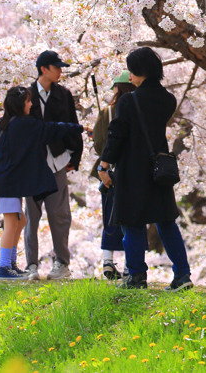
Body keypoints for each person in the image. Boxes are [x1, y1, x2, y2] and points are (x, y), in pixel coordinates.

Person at [99, 47, 193, 291]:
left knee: (131, 223)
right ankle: (182, 275)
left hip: (132, 169)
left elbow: (116, 134)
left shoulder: (129, 101)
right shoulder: (168, 100)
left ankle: (137, 276)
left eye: (131, 70)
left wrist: (104, 164)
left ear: (141, 71)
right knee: (166, 222)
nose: (129, 75)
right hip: (157, 169)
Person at [0, 87, 85, 280]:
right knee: (11, 222)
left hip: (2, 180)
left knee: (21, 220)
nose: (31, 105)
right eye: (28, 101)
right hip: (7, 183)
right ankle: (4, 268)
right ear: (20, 104)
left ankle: (11, 265)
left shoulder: (0, 124)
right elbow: (53, 129)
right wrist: (80, 128)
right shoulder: (26, 124)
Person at [24, 50, 84, 280]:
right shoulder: (26, 94)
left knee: (60, 214)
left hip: (58, 159)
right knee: (32, 215)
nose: (60, 71)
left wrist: (74, 158)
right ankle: (31, 266)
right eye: (56, 67)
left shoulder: (64, 94)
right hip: (32, 163)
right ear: (43, 69)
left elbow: (73, 124)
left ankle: (62, 263)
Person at [90, 70, 134, 280]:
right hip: (132, 170)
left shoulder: (107, 112)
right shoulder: (139, 111)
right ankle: (129, 267)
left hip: (108, 172)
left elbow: (99, 143)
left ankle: (108, 261)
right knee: (134, 219)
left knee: (110, 216)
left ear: (118, 88)